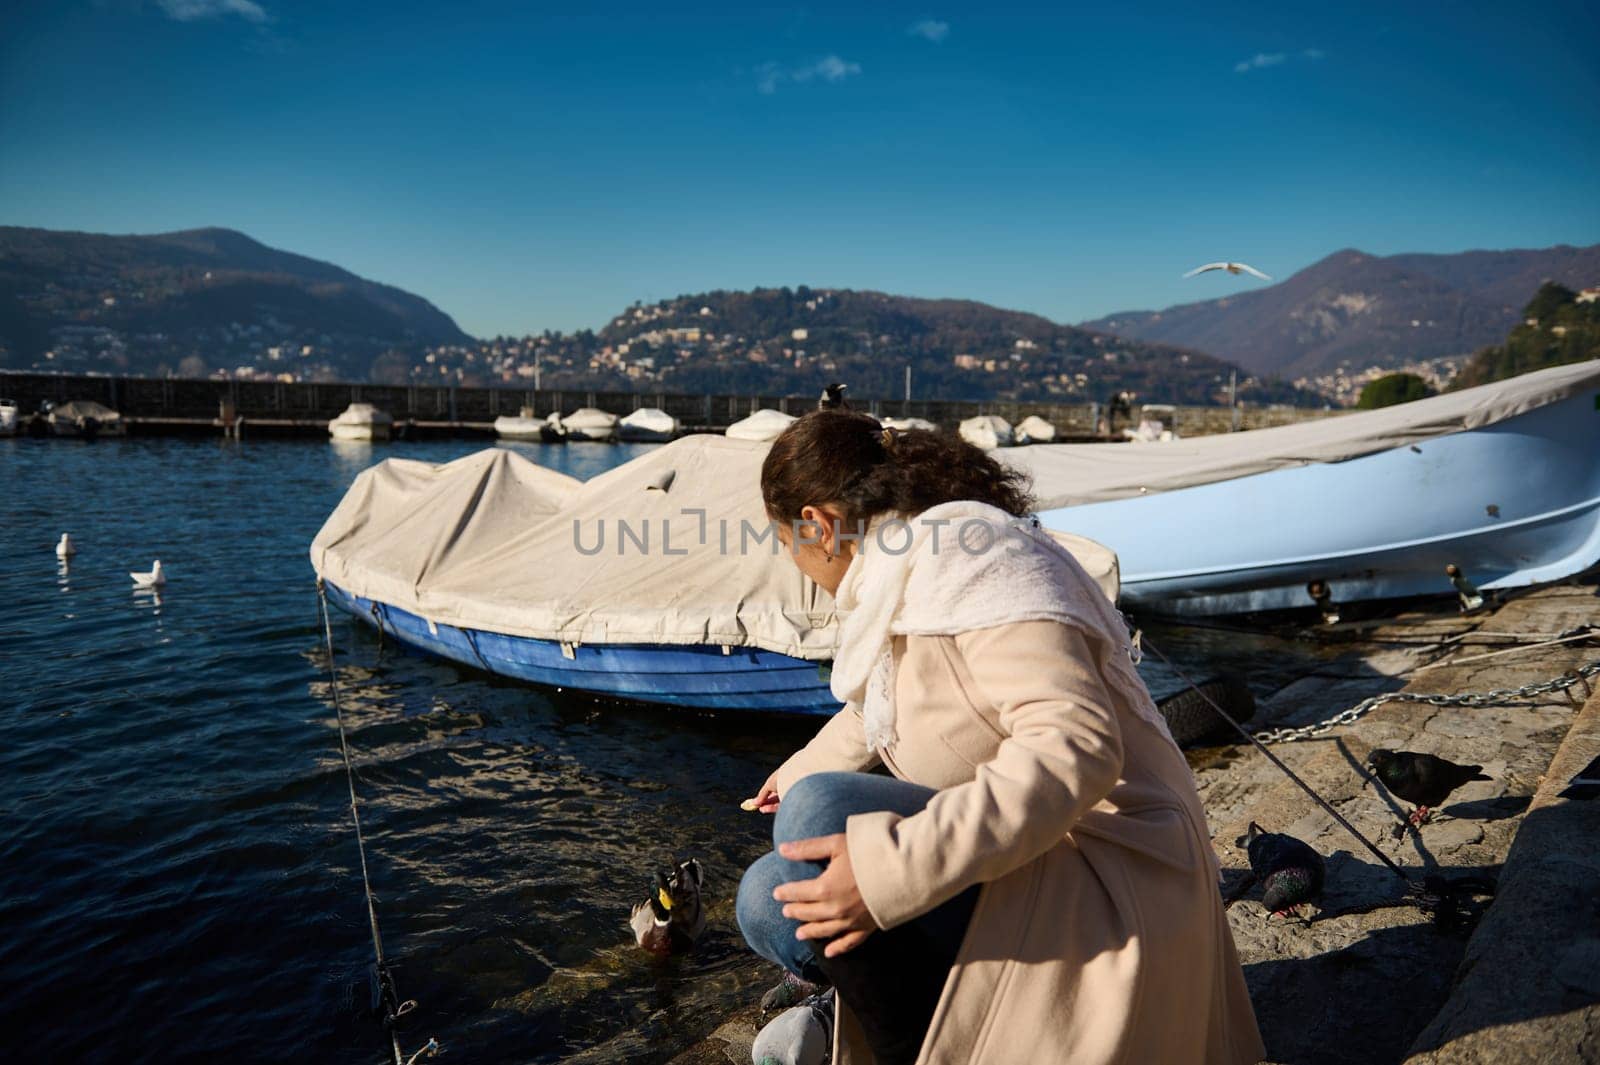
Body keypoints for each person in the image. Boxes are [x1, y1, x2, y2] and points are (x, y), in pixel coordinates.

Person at [736, 409, 1264, 1065]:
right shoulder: (909, 563)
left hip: (1111, 863)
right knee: (766, 899)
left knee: (815, 818)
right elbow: (884, 700)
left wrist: (886, 870)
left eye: (784, 539)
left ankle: (912, 1049)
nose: (791, 559)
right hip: (1036, 853)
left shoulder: (978, 562)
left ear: (815, 524)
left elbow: (1077, 747)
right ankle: (940, 1011)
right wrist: (793, 771)